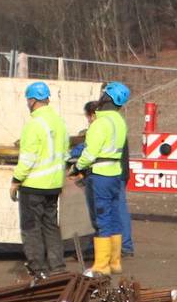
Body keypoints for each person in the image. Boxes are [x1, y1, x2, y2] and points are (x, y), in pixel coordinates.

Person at [71, 81, 132, 276]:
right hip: (115, 174)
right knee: (114, 218)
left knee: (102, 217)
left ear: (106, 98)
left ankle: (101, 265)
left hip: (101, 176)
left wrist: (77, 167)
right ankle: (115, 262)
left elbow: (90, 153)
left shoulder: (100, 123)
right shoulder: (120, 122)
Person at [12, 81, 70, 277]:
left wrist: (16, 180)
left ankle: (38, 268)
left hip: (33, 185)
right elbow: (64, 153)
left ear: (33, 100)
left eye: (28, 99)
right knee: (51, 226)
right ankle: (57, 266)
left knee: (31, 228)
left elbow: (27, 158)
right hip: (53, 185)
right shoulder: (60, 123)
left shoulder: (34, 125)